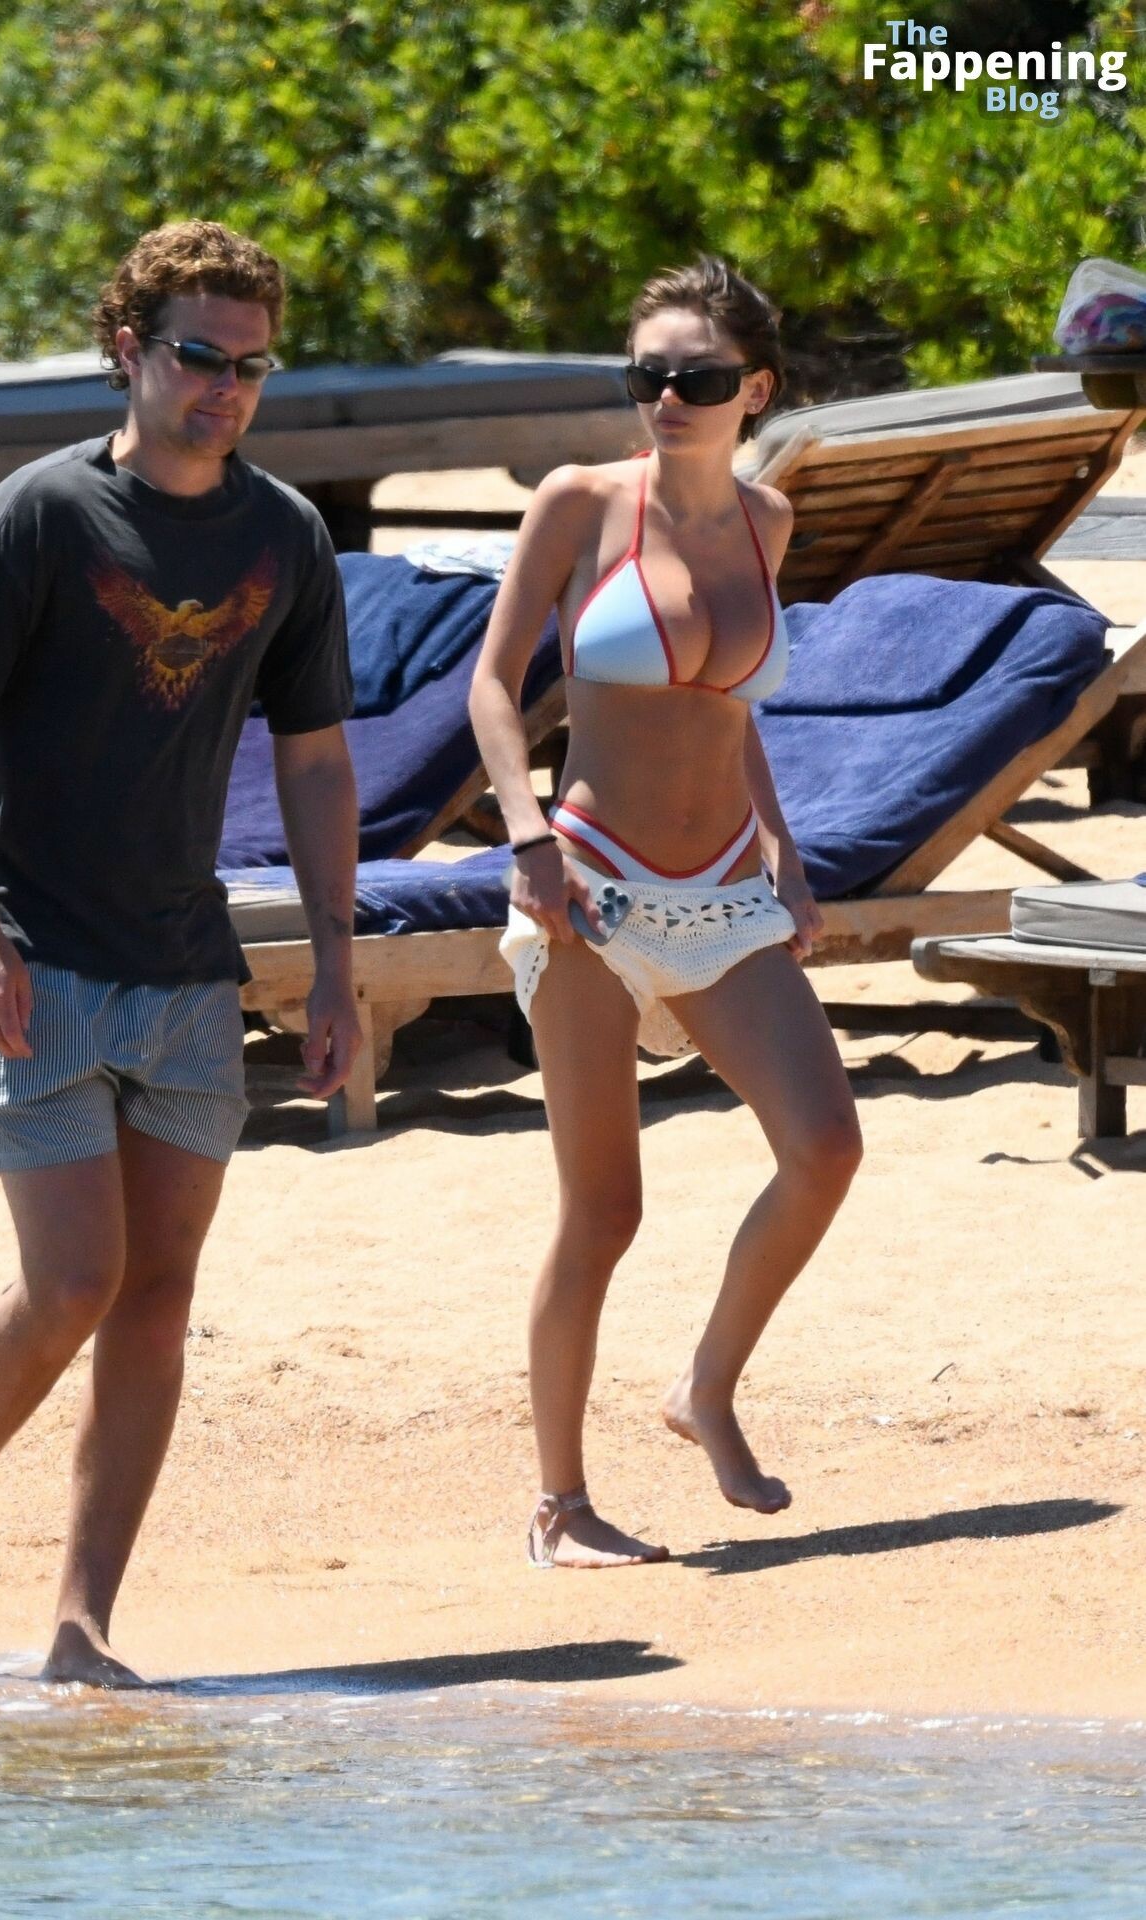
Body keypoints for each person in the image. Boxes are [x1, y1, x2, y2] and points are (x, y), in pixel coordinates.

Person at [0, 220, 361, 1682]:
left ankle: (83, 1625)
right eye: (200, 356)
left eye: (251, 366)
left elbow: (316, 759)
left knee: (159, 1298)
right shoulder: (40, 516)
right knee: (75, 1281)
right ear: (129, 350)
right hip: (32, 953)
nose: (226, 388)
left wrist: (336, 967)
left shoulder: (286, 536)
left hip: (186, 965)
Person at [469, 256, 862, 1570]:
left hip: (727, 890)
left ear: (755, 389)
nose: (667, 398)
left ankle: (704, 1388)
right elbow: (491, 686)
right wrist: (524, 835)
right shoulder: (581, 502)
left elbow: (731, 712)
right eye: (647, 376)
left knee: (825, 1147)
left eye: (697, 377)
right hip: (589, 885)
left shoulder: (766, 519)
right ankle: (560, 1505)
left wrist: (785, 859)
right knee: (602, 1214)